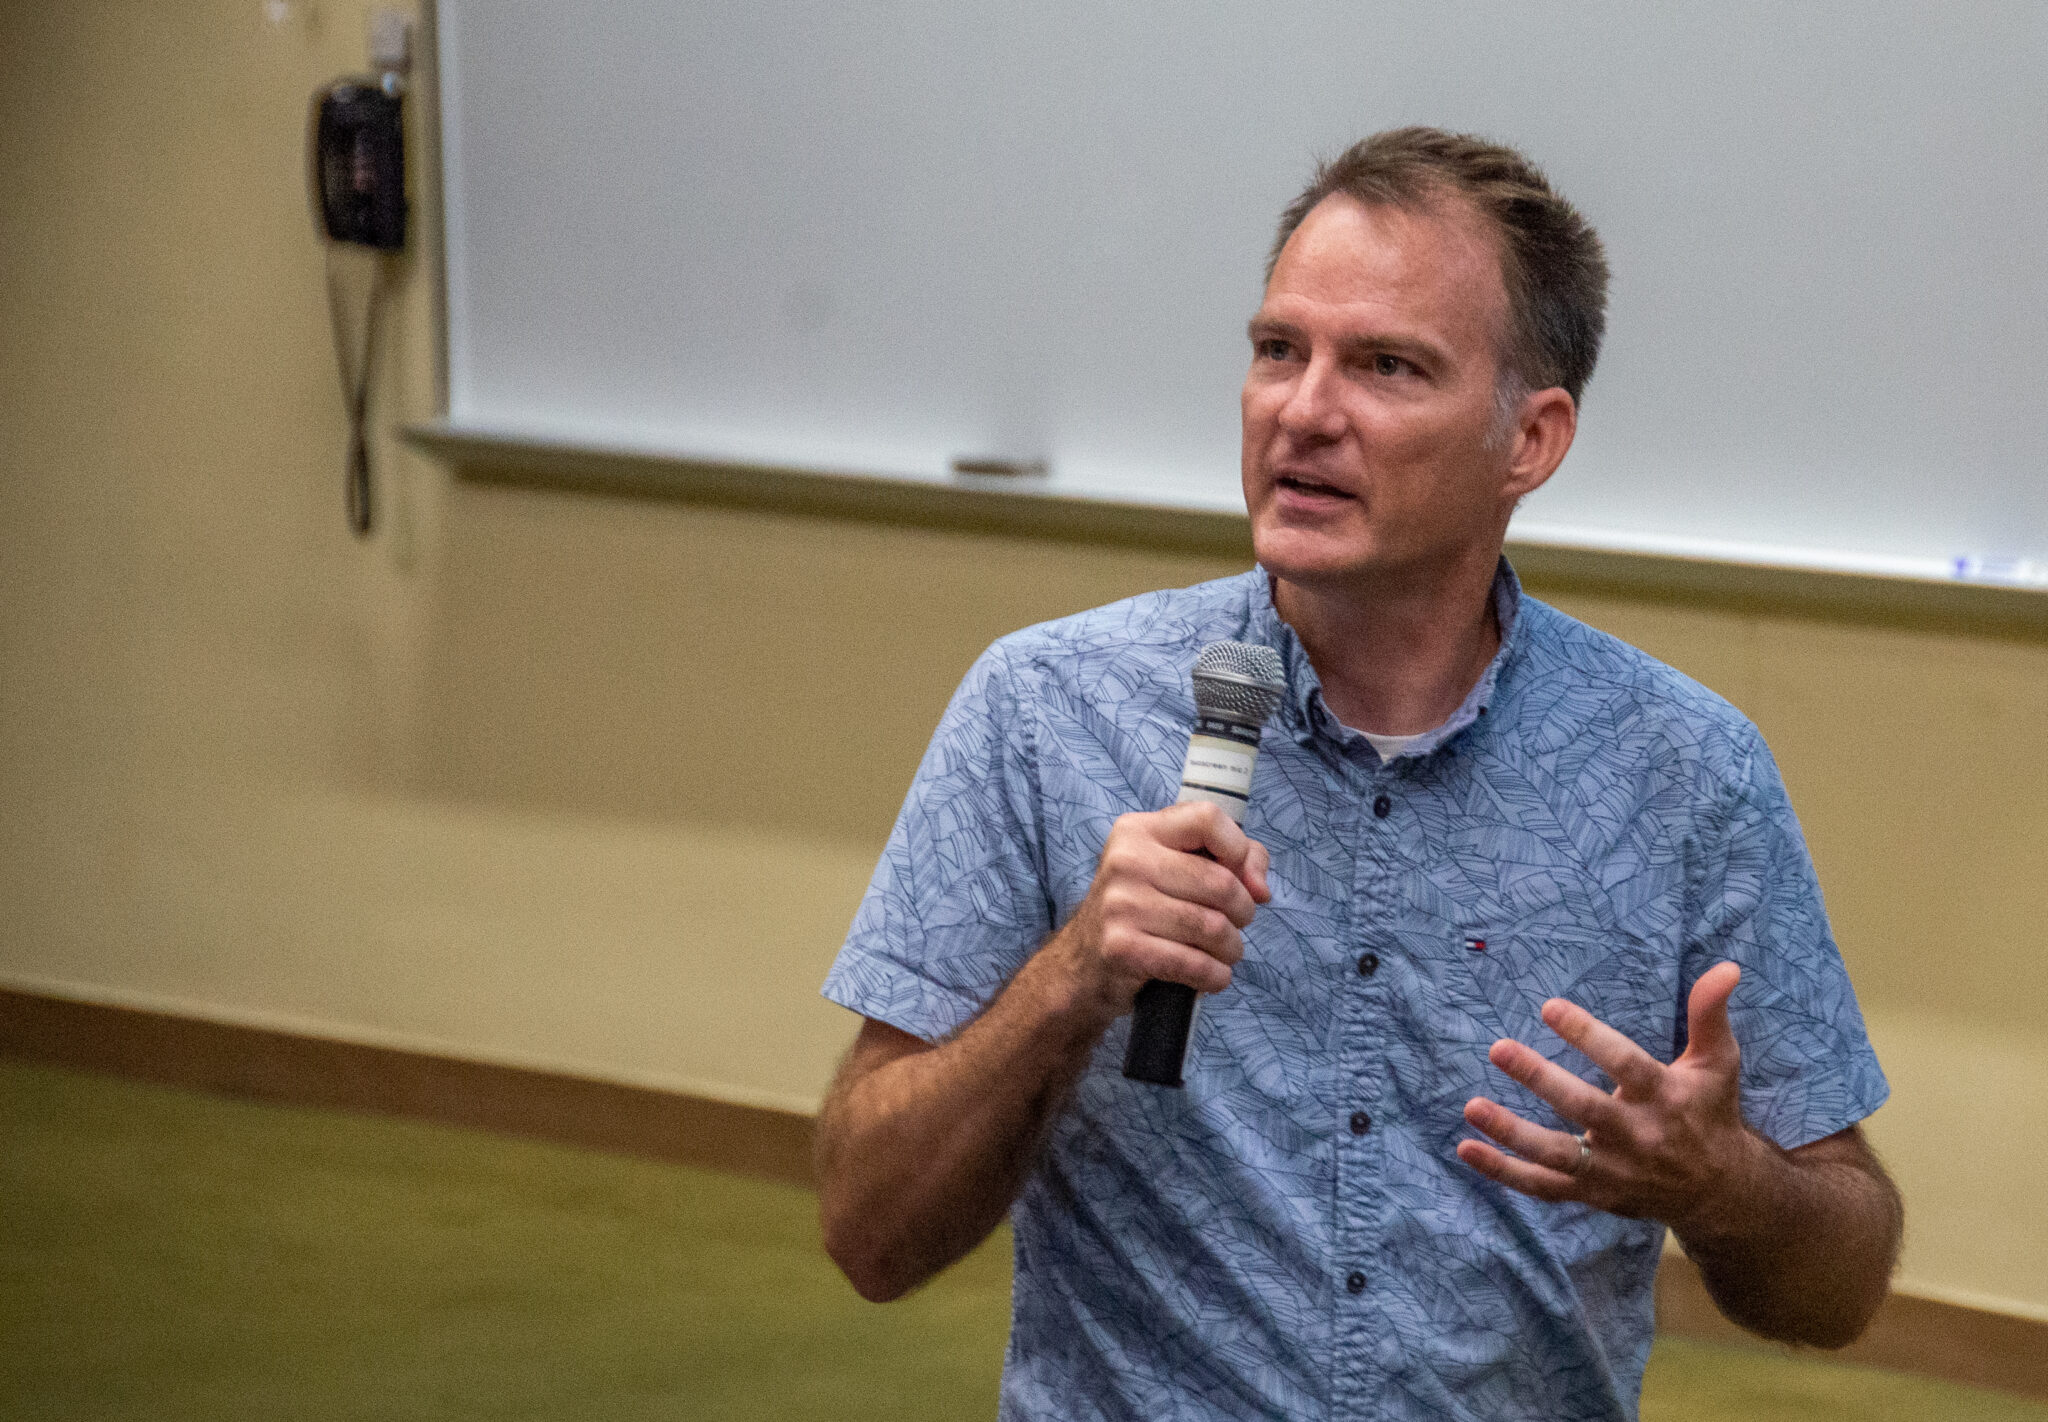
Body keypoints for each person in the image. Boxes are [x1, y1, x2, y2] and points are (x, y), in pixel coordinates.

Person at [813, 128, 1902, 1421]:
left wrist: (1720, 1182)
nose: (1303, 410)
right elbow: (868, 1232)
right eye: (1280, 350)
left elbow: (1843, 1279)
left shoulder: (1683, 768)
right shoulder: (1049, 708)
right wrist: (1067, 980)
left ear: (1531, 438)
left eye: (1388, 365)